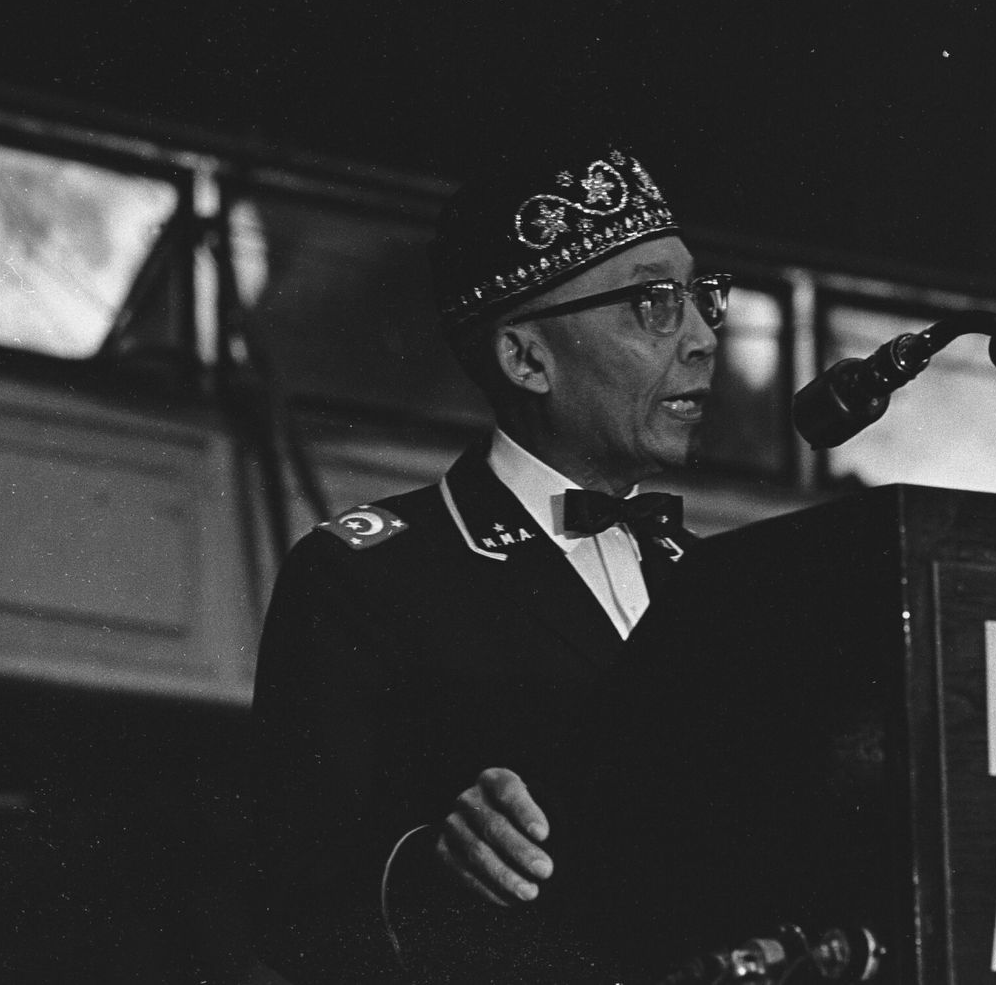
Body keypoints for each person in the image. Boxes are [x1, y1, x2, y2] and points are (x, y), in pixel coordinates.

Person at [251, 142, 729, 984]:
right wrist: (436, 866)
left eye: (701, 295)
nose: (701, 337)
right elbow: (295, 907)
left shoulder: (714, 584)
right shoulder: (367, 578)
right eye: (654, 303)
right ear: (526, 359)